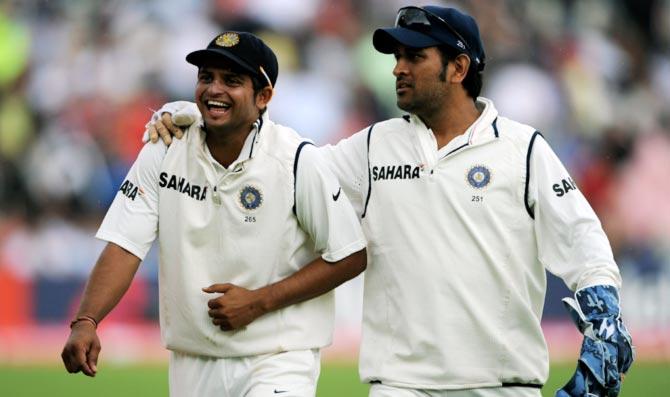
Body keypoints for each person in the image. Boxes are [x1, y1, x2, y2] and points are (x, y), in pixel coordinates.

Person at [147, 6, 634, 397]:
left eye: (415, 57)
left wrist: (604, 314)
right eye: (396, 56)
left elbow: (582, 239)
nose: (397, 68)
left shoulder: (523, 148)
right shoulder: (371, 147)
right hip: (399, 385)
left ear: (459, 67)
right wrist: (202, 114)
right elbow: (281, 169)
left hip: (504, 384)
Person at [61, 31, 367, 397]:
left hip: (279, 359)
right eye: (206, 77)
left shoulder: (296, 159)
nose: (214, 89)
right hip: (193, 361)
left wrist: (260, 301)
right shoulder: (165, 149)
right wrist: (86, 320)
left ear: (264, 96)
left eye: (232, 81)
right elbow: (126, 244)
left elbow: (350, 254)